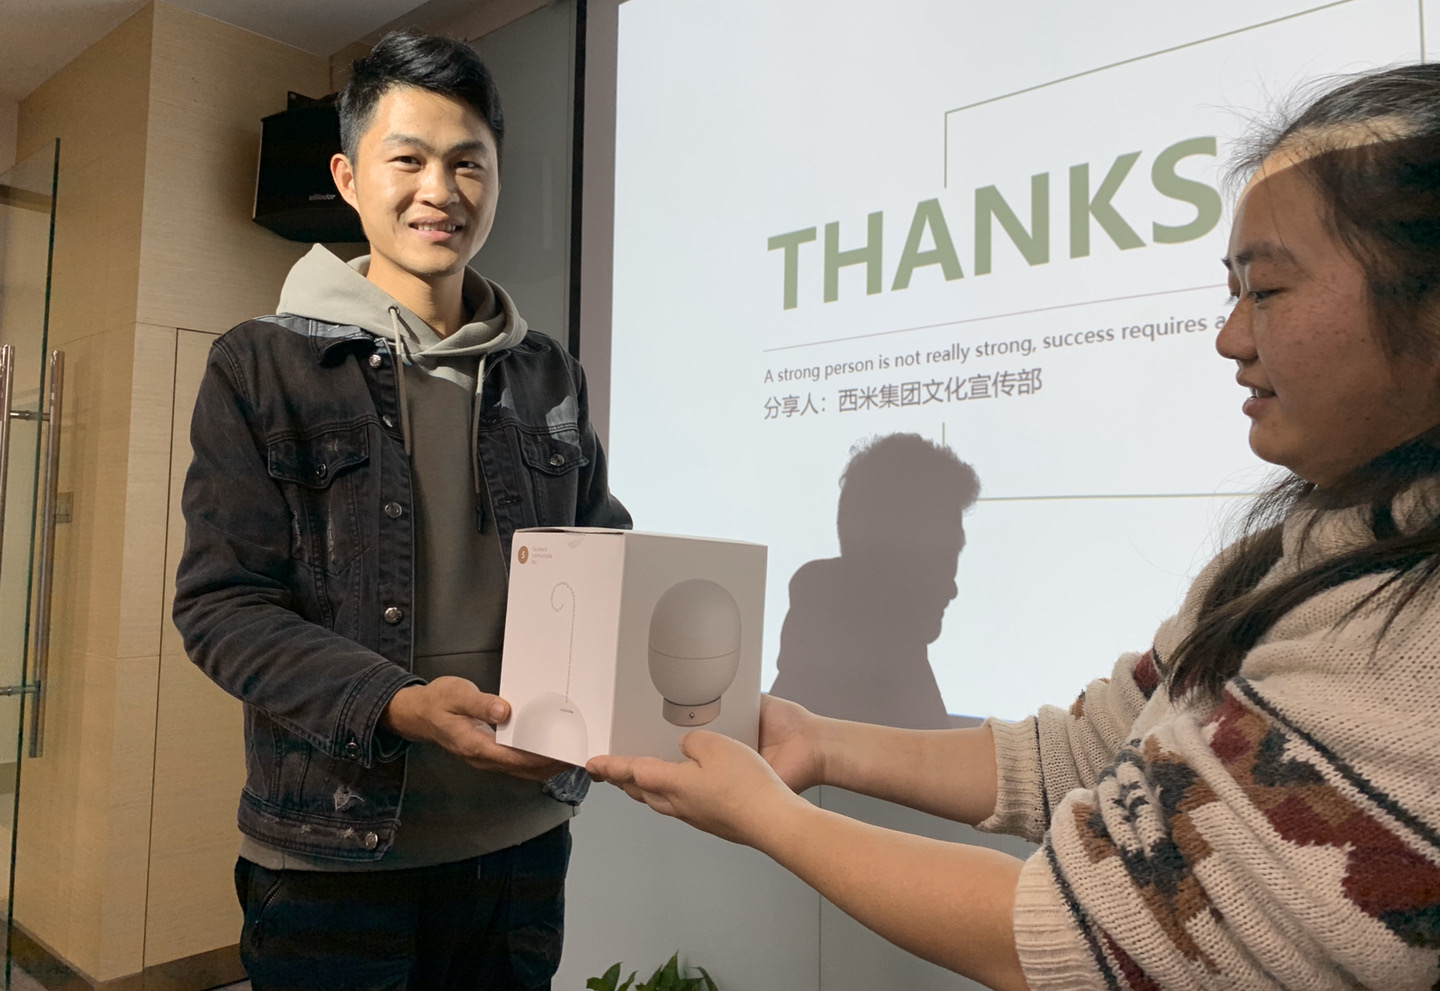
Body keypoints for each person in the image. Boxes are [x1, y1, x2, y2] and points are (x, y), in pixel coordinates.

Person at [588, 63, 1440, 991]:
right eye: (1232, 292)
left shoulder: (1413, 642)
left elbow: (1102, 936)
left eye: (1265, 290)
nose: (1231, 337)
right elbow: (1093, 749)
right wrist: (823, 745)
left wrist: (771, 817)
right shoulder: (1280, 561)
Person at [173, 31, 629, 991]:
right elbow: (222, 607)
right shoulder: (260, 365)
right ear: (347, 177)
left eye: (469, 163)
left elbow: (603, 553)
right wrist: (397, 703)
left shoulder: (547, 373)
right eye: (409, 159)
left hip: (522, 847)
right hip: (335, 859)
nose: (441, 190)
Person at [769, 432, 980, 729]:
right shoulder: (876, 678)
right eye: (942, 557)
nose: (952, 588)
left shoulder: (880, 648)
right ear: (888, 560)